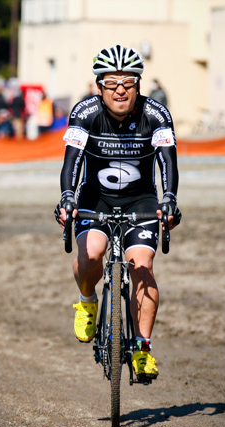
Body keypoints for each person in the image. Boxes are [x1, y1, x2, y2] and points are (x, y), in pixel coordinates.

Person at [54, 44, 181, 382]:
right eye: (111, 83)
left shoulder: (156, 113)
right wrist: (68, 197)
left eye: (128, 82)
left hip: (141, 200)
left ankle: (142, 348)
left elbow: (168, 162)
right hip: (96, 199)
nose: (120, 90)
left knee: (142, 265)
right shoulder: (85, 112)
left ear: (138, 84)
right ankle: (86, 300)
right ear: (100, 87)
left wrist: (168, 199)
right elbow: (72, 161)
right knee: (91, 254)